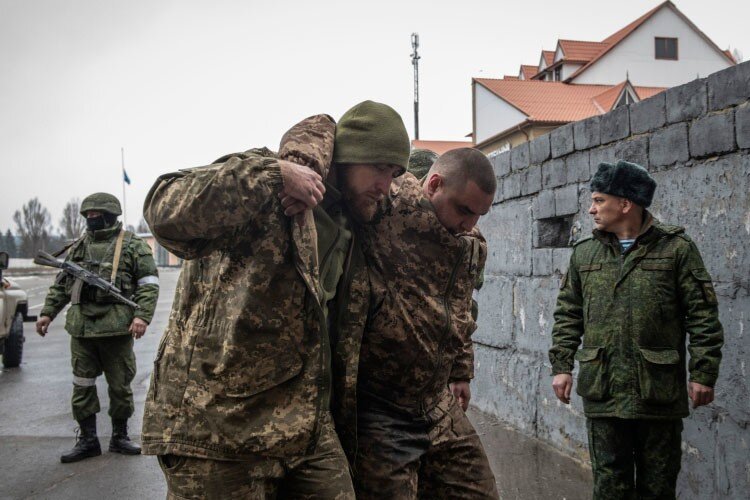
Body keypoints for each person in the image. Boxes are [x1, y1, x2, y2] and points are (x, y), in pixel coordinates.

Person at [140, 102, 410, 499]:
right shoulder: (268, 182)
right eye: (381, 168)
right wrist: (272, 176)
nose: (386, 186)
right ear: (349, 158)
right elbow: (162, 207)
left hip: (304, 426)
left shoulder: (356, 220)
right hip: (217, 428)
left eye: (395, 174)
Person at [549, 160, 724, 499]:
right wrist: (561, 366)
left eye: (599, 200)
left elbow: (702, 315)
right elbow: (568, 313)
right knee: (609, 486)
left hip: (656, 392)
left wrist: (704, 372)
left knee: (657, 487)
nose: (591, 209)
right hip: (604, 389)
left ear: (625, 204)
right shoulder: (585, 254)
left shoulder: (676, 249)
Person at [349, 148, 499, 499]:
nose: (469, 224)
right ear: (434, 184)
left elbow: (460, 306)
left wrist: (461, 370)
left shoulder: (469, 244)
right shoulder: (386, 206)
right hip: (381, 407)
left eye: (479, 215)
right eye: (464, 209)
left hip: (435, 404)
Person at [36, 193, 159, 463]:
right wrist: (47, 313)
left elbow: (149, 284)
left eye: (96, 216)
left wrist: (142, 316)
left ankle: (120, 437)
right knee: (82, 384)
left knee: (120, 386)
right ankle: (88, 440)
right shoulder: (79, 246)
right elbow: (61, 285)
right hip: (82, 328)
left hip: (117, 327)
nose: (91, 220)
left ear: (110, 216)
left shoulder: (132, 246)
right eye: (88, 216)